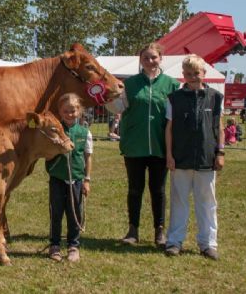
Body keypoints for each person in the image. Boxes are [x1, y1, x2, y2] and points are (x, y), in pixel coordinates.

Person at [106, 42, 180, 247]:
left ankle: (159, 231)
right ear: (140, 60)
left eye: (153, 57)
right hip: (134, 145)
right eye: (146, 57)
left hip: (160, 146)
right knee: (135, 189)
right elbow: (117, 107)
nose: (150, 61)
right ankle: (133, 230)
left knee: (158, 190)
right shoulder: (129, 85)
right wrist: (105, 97)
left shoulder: (172, 85)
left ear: (161, 58)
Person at [164, 54, 224, 260]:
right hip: (180, 157)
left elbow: (219, 127)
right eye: (188, 74)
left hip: (207, 158)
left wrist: (220, 152)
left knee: (207, 202)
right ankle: (174, 242)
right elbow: (169, 129)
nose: (192, 77)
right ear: (183, 76)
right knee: (179, 201)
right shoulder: (174, 98)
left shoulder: (215, 97)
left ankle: (208, 244)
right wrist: (169, 155)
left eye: (196, 73)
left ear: (204, 73)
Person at [45, 93, 92, 262]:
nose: (69, 114)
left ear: (79, 111)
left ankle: (73, 245)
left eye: (73, 111)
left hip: (77, 180)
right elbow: (47, 154)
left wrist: (87, 180)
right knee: (56, 212)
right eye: (66, 111)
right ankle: (55, 245)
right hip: (57, 178)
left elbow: (87, 156)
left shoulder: (84, 132)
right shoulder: (55, 131)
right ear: (60, 111)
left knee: (74, 213)